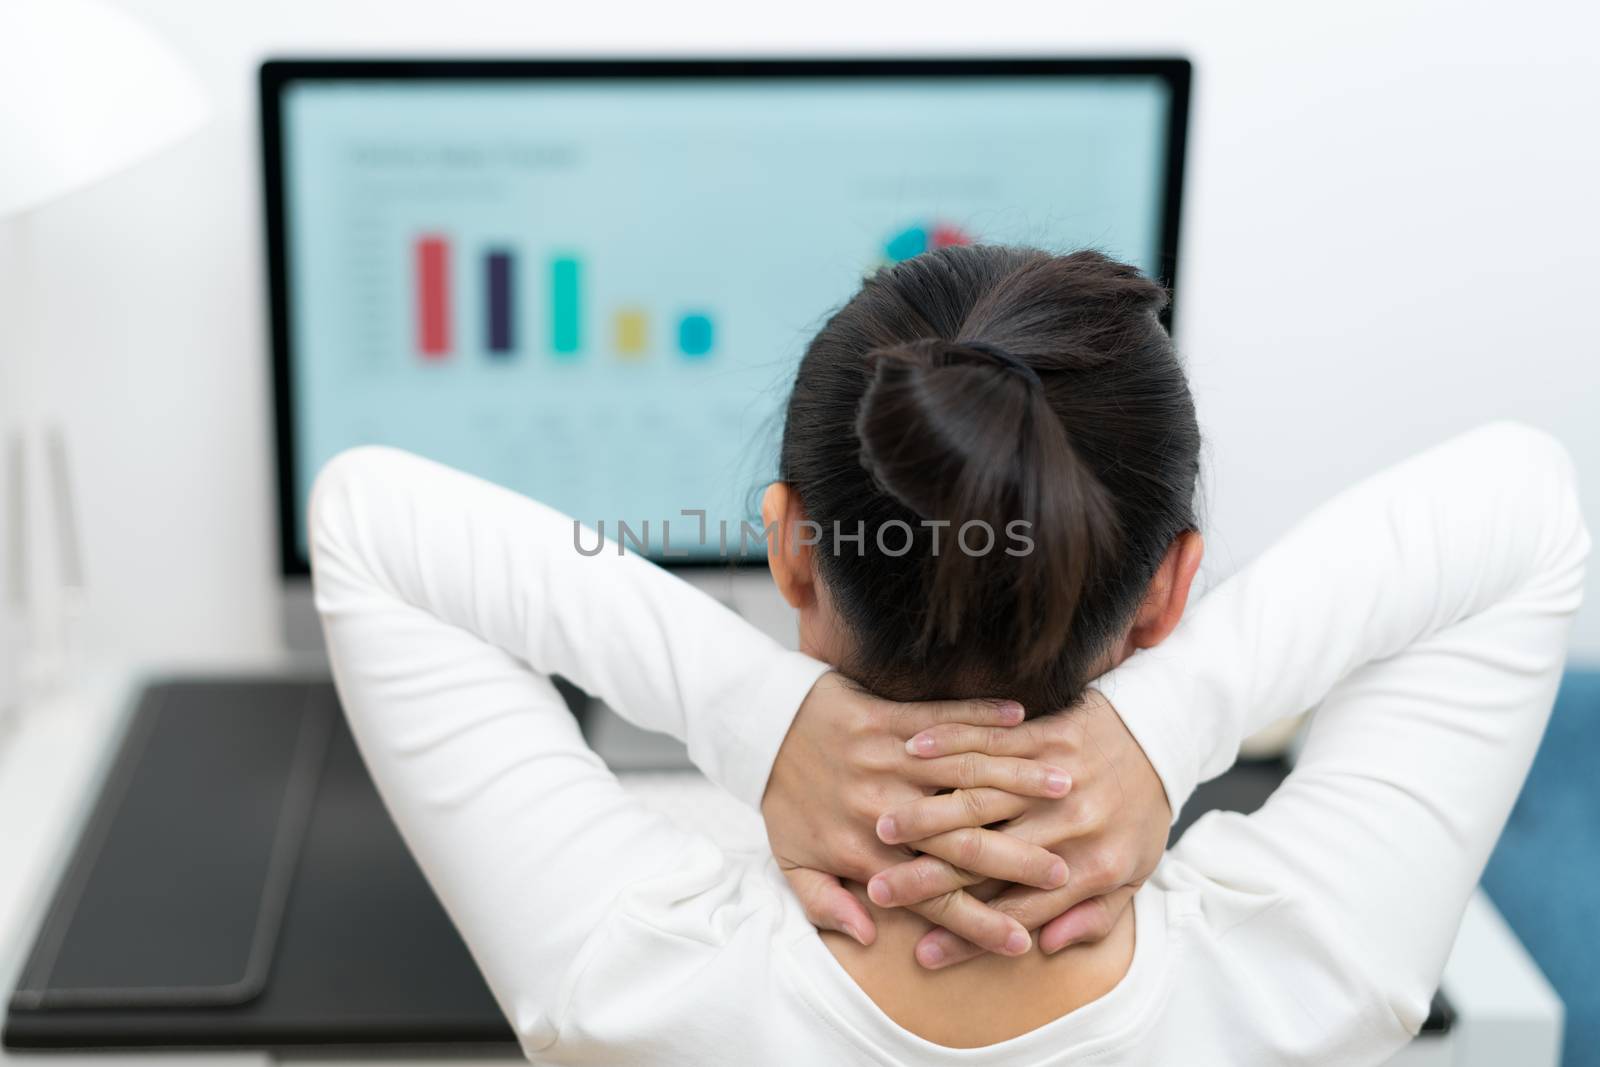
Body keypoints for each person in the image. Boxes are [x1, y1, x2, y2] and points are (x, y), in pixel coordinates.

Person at [309, 246, 1587, 1065]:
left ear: (794, 555)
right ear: (1172, 592)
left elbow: (368, 518)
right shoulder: (1315, 970)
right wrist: (1169, 730)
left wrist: (761, 724)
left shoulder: (624, 976)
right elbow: (1524, 506)